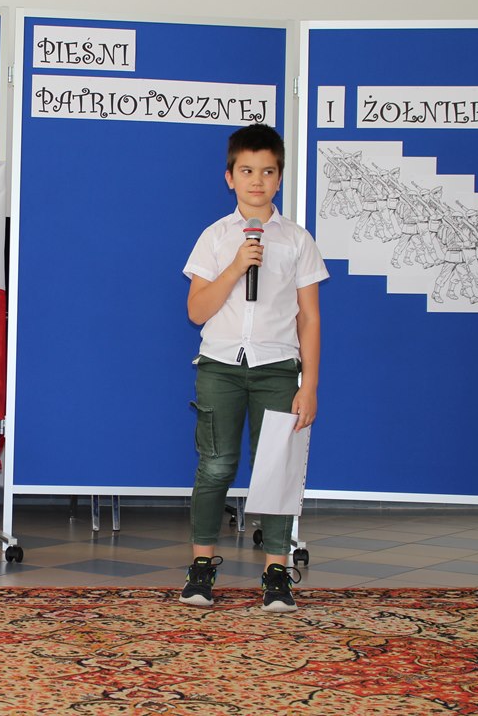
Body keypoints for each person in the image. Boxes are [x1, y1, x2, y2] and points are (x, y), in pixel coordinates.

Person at [180, 123, 328, 613]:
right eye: (246, 171)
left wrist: (308, 384)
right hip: (220, 367)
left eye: (267, 172)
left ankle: (276, 574)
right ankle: (201, 568)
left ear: (279, 178)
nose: (257, 181)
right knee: (216, 465)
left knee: (277, 469)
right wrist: (236, 266)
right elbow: (196, 311)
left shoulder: (297, 240)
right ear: (230, 178)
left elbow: (309, 317)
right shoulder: (215, 237)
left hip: (277, 368)